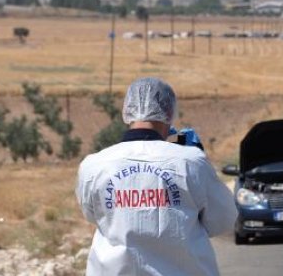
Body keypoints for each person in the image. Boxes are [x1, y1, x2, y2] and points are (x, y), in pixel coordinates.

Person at [75, 77, 237, 275]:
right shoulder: (191, 161)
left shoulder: (94, 165)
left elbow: (93, 215)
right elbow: (224, 219)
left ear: (127, 111)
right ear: (169, 112)